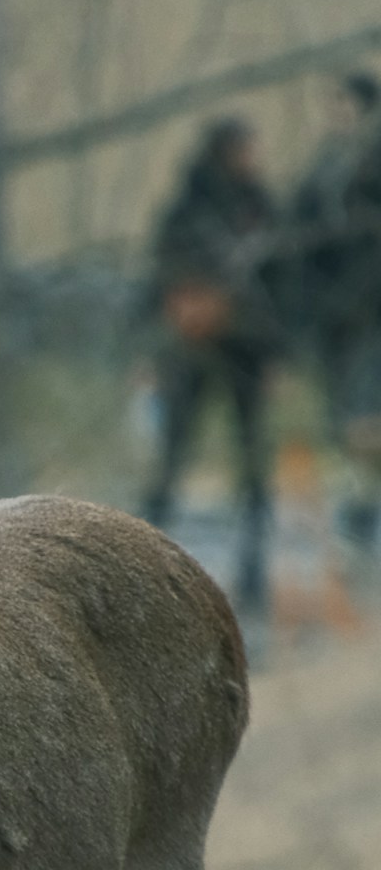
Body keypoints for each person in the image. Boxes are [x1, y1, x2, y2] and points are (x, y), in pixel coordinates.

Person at [139, 116, 280, 614]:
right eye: (244, 149)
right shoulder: (187, 210)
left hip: (245, 349)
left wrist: (271, 354)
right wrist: (164, 333)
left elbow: (278, 285)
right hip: (187, 348)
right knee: (172, 458)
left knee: (254, 465)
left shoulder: (259, 206)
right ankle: (144, 571)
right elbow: (159, 280)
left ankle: (255, 573)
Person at [287, 72, 381, 558]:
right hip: (332, 313)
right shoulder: (325, 162)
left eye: (345, 102)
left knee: (366, 418)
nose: (337, 112)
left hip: (372, 309)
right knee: (342, 417)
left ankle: (364, 510)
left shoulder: (371, 159)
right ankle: (359, 506)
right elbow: (299, 227)